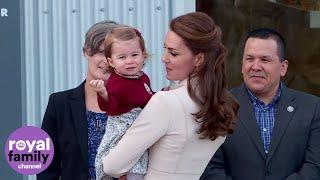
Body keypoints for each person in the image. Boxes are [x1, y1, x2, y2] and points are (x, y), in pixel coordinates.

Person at [98, 12, 239, 180]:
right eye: (165, 49)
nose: (164, 58)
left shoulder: (167, 101)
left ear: (199, 59)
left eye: (173, 53)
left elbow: (112, 166)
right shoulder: (220, 103)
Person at [201, 28, 320, 180]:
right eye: (250, 59)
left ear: (283, 68)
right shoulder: (218, 106)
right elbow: (210, 167)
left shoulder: (312, 108)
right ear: (242, 65)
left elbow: (314, 165)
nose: (255, 66)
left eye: (265, 60)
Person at [37, 20, 120, 180]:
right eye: (101, 52)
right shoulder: (59, 104)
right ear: (86, 51)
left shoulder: (137, 104)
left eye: (113, 54)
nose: (107, 61)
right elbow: (47, 169)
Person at [90, 26, 154, 180]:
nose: (130, 61)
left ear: (143, 55)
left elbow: (146, 97)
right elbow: (110, 107)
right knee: (128, 164)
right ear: (111, 61)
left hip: (140, 127)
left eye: (134, 55)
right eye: (122, 57)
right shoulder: (116, 83)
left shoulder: (142, 77)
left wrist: (159, 95)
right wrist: (103, 93)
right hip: (122, 129)